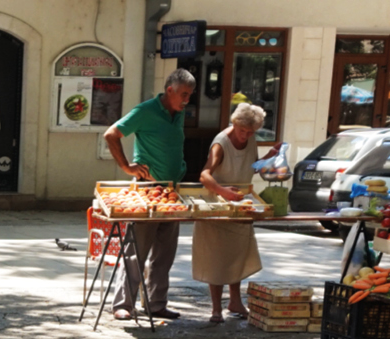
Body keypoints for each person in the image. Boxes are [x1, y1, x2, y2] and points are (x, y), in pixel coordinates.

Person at [102, 67, 196, 321]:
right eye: (184, 94)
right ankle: (123, 304)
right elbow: (111, 134)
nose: (187, 100)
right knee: (136, 251)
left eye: (190, 95)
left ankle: (156, 303)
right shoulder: (145, 111)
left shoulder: (178, 113)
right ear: (169, 90)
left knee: (164, 254)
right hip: (147, 190)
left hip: (172, 192)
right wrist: (125, 165)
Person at [193, 102, 273, 324]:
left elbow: (252, 165)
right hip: (217, 204)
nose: (245, 136)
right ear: (234, 124)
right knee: (216, 258)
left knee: (237, 254)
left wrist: (270, 157)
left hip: (241, 204)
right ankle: (216, 309)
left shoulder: (251, 139)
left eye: (250, 132)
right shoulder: (221, 142)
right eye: (242, 131)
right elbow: (204, 175)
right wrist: (222, 191)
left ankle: (235, 301)